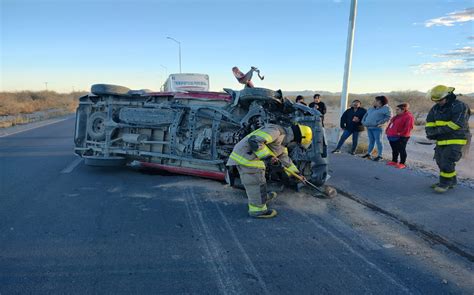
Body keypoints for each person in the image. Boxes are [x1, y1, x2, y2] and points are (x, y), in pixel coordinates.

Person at [227, 123, 312, 218]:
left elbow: (284, 159)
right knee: (256, 183)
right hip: (246, 157)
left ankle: (261, 198)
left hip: (252, 158)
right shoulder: (276, 132)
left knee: (261, 182)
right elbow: (254, 140)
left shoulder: (282, 143)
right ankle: (257, 210)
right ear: (296, 138)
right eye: (297, 143)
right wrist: (269, 157)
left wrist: (296, 174)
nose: (295, 145)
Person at [425, 85, 471, 193]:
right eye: (436, 100)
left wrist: (436, 132)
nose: (438, 102)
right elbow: (430, 122)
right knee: (440, 160)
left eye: (440, 100)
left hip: (457, 138)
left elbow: (457, 124)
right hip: (441, 139)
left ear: (448, 96)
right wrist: (429, 132)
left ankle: (444, 183)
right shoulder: (436, 108)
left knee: (447, 161)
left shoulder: (460, 106)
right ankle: (451, 181)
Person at [361, 96, 392, 161]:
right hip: (369, 127)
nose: (374, 101)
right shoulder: (371, 108)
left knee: (379, 141)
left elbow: (388, 117)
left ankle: (380, 156)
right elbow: (365, 115)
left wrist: (378, 123)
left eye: (375, 100)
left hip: (377, 128)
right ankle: (369, 153)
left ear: (380, 101)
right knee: (371, 141)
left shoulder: (386, 108)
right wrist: (363, 121)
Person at [385, 103, 415, 169]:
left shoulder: (408, 116)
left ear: (403, 110)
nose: (396, 111)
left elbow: (408, 128)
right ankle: (394, 161)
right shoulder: (397, 116)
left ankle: (402, 163)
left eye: (397, 109)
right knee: (394, 149)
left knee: (402, 150)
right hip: (392, 136)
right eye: (396, 109)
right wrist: (387, 131)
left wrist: (400, 134)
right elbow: (391, 124)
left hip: (402, 136)